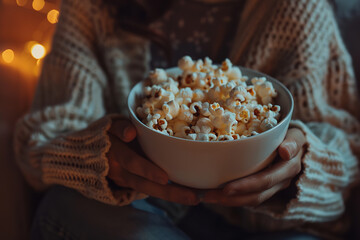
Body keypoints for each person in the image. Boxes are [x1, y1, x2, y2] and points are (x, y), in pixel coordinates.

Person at [14, 0, 360, 239]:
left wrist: (302, 166)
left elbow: (346, 148)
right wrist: (94, 157)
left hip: (270, 229)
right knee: (67, 207)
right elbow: (42, 138)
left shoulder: (298, 9)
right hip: (138, 215)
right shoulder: (94, 7)